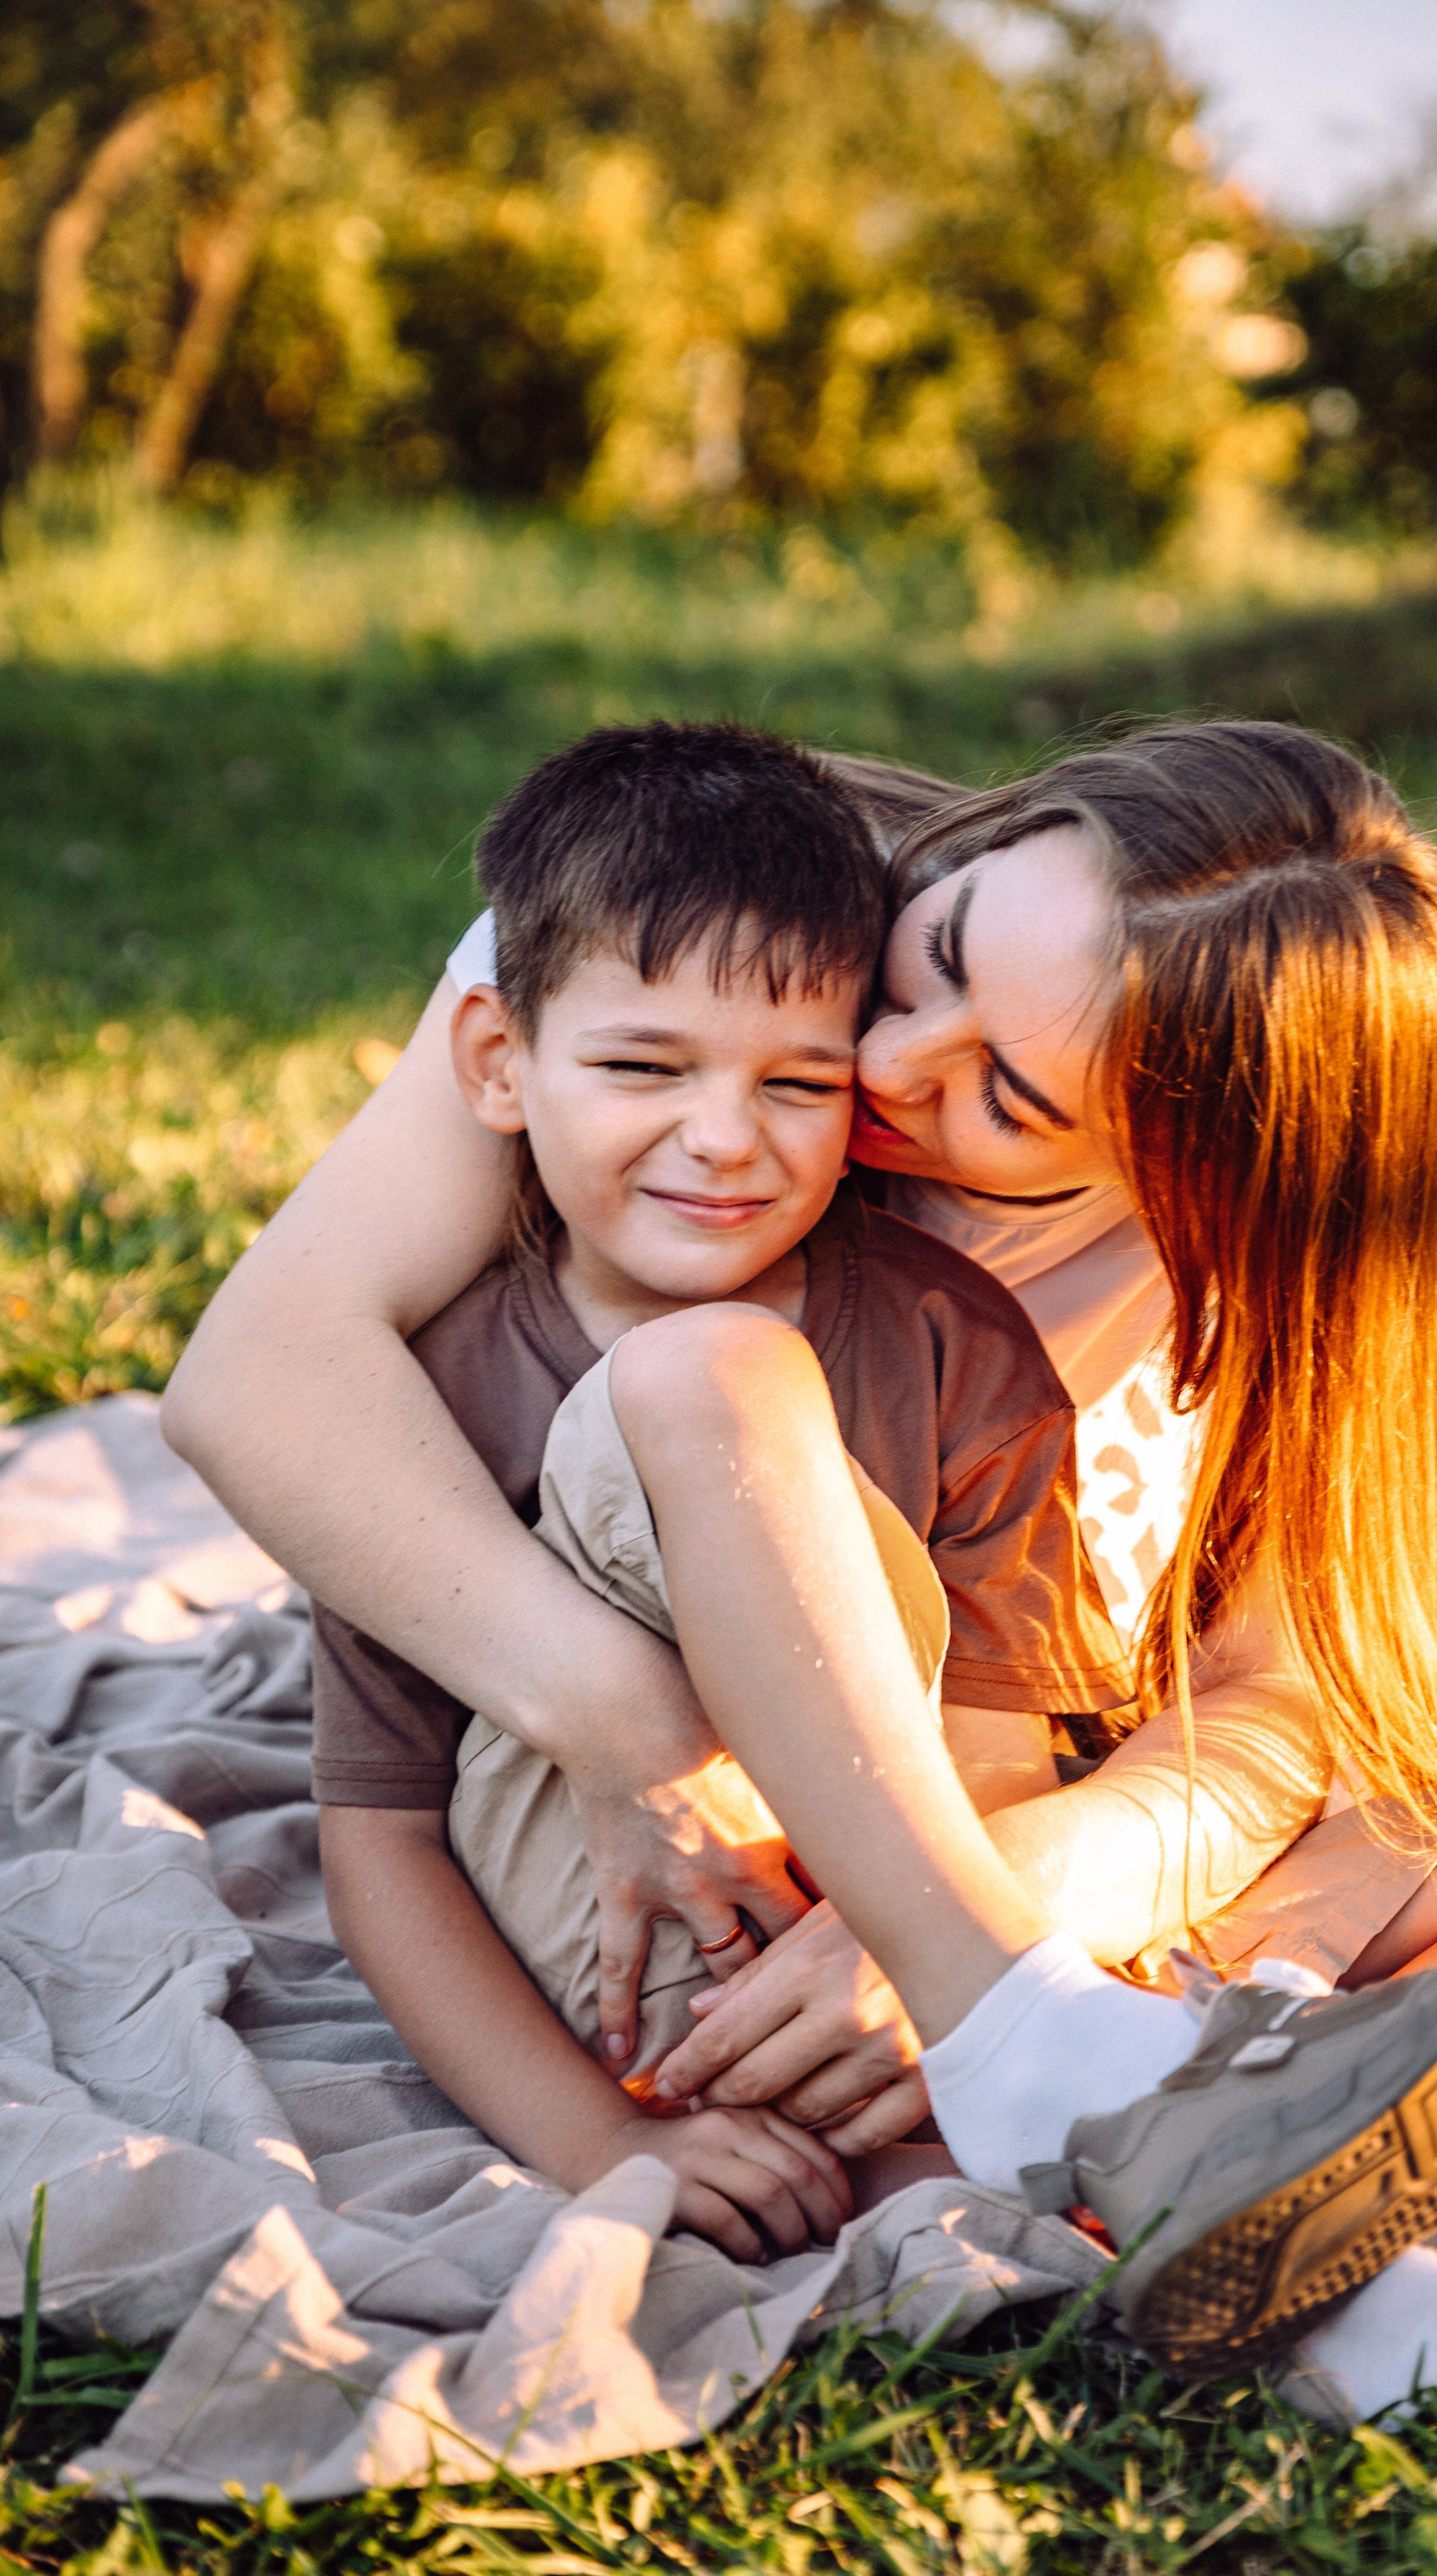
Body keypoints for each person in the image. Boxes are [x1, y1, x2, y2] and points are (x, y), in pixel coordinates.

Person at [162, 717, 1437, 2378]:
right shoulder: (718, 920)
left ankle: (1185, 2111)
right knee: (711, 1376)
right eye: (932, 952)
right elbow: (263, 1382)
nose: (880, 1065)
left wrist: (1021, 1886)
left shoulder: (1094, 1296)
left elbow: (1276, 1696)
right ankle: (1077, 2068)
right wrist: (629, 1729)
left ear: (1185, 1176)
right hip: (678, 1777)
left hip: (972, 1775)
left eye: (1005, 1096)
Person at [313, 717, 1139, 2259]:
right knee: (703, 1380)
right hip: (620, 1962)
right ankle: (1039, 2154)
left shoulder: (955, 1349)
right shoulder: (431, 1393)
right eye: (642, 1066)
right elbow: (382, 1843)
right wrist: (596, 2139)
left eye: (796, 1083)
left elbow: (991, 1767)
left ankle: (1149, 2193)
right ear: (499, 1062)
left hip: (877, 1939)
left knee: (995, 2183)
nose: (720, 1140)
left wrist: (876, 1973)